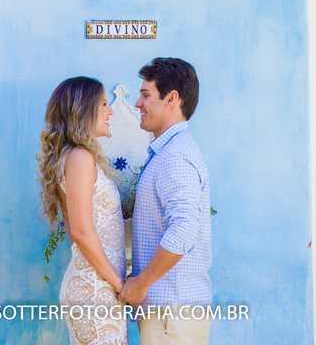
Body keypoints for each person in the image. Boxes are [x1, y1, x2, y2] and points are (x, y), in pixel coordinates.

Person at [120, 57, 212, 344]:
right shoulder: (167, 152)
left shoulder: (173, 157)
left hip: (174, 311)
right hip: (170, 311)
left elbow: (184, 228)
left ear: (172, 98)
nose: (137, 104)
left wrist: (142, 283)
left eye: (146, 95)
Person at [38, 76, 128, 345]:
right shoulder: (80, 157)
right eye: (103, 104)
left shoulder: (79, 157)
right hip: (94, 289)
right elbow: (80, 231)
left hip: (99, 288)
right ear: (84, 109)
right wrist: (120, 285)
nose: (110, 110)